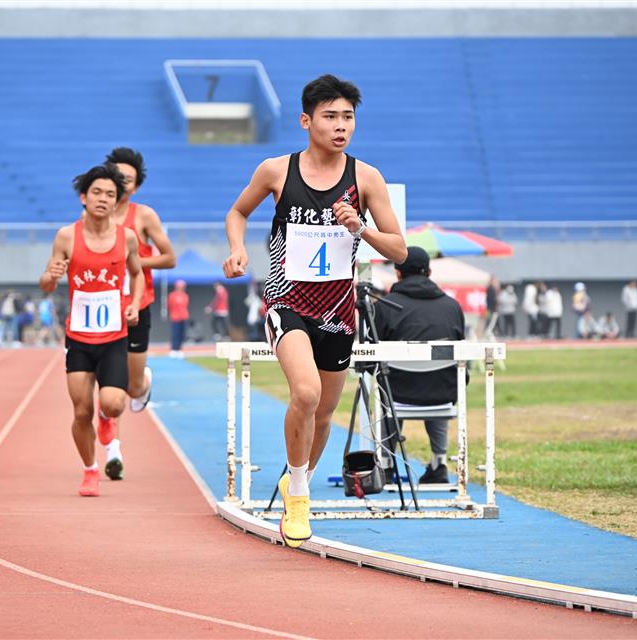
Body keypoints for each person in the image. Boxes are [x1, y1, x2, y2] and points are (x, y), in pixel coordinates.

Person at [222, 74, 408, 548]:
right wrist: (237, 248)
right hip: (287, 301)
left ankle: (295, 481)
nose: (340, 125)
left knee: (323, 413)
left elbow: (400, 250)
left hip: (337, 310)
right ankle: (300, 496)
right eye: (330, 117)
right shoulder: (276, 171)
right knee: (305, 393)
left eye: (348, 117)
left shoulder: (366, 178)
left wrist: (361, 228)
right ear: (306, 121)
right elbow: (237, 212)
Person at [39, 164, 143, 498]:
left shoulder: (127, 237)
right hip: (79, 338)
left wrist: (134, 303)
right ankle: (90, 469)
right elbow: (46, 284)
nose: (103, 199)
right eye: (96, 192)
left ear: (117, 201)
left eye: (110, 194)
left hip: (113, 336)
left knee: (113, 404)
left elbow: (137, 274)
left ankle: (107, 418)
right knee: (80, 410)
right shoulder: (66, 236)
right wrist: (51, 276)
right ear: (84, 197)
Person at [100, 147, 177, 480]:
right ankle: (113, 451)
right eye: (117, 177)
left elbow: (169, 258)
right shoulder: (95, 215)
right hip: (104, 311)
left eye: (128, 179)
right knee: (110, 385)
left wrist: (133, 261)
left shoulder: (143, 216)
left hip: (137, 306)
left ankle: (143, 381)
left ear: (136, 186)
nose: (121, 183)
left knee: (131, 386)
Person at [373, 246, 466, 484]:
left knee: (386, 385)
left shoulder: (385, 306)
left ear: (398, 273)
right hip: (443, 392)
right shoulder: (452, 306)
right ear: (429, 272)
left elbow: (372, 355)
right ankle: (439, 462)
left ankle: (386, 463)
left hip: (397, 393)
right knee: (437, 378)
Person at [167, 279, 190, 358]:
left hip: (183, 317)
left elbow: (185, 306)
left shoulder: (185, 295)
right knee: (175, 334)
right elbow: (170, 305)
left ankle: (180, 349)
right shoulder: (172, 295)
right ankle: (174, 349)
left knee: (182, 334)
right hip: (175, 317)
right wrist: (173, 314)